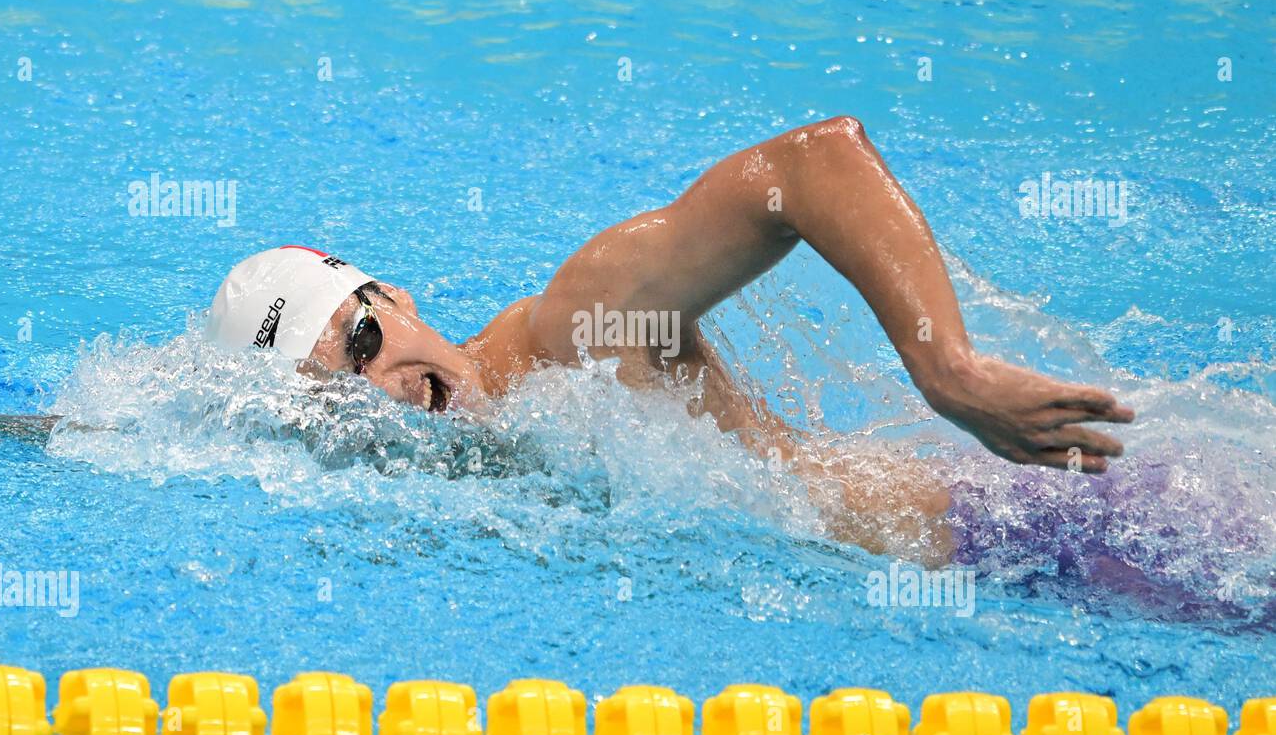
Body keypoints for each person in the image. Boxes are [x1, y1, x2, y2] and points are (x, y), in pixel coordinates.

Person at [205, 118, 1134, 565]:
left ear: (396, 296)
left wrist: (949, 369)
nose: (381, 387)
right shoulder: (457, 486)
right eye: (336, 395)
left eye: (363, 337)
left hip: (1055, 518)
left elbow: (810, 167)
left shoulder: (567, 340)